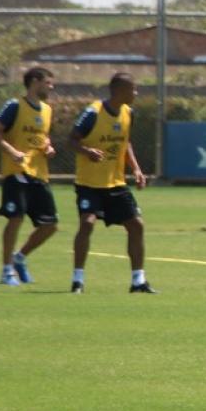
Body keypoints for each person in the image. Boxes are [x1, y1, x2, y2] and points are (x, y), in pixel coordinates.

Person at [68, 71, 153, 294]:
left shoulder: (128, 113)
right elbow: (71, 139)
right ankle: (78, 280)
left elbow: (126, 143)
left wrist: (135, 169)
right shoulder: (93, 113)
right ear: (118, 91)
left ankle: (138, 281)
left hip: (115, 183)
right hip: (89, 183)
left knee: (136, 225)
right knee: (87, 223)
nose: (135, 93)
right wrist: (87, 151)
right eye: (132, 89)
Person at [0, 66, 58, 286]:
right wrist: (12, 152)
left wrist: (48, 147)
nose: (51, 86)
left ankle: (20, 257)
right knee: (15, 218)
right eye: (48, 82)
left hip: (39, 173)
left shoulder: (47, 110)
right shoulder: (14, 106)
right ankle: (6, 269)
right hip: (16, 171)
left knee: (50, 225)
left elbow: (42, 137)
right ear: (35, 81)